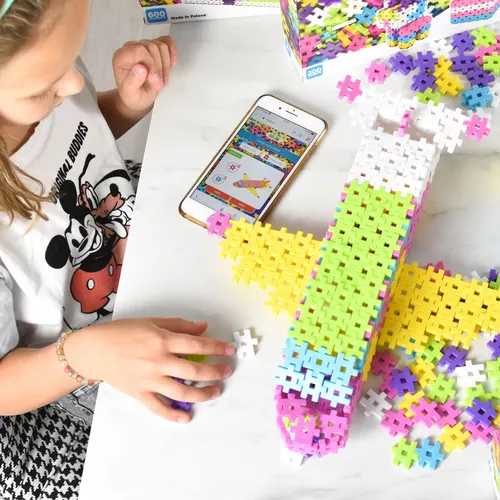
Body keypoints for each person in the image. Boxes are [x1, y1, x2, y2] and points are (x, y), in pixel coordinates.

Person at [0, 0, 235, 498]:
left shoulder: (44, 66)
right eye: (43, 89)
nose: (74, 84)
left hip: (143, 238)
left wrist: (124, 105)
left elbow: (71, 141)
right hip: (80, 365)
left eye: (73, 55)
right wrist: (84, 356)